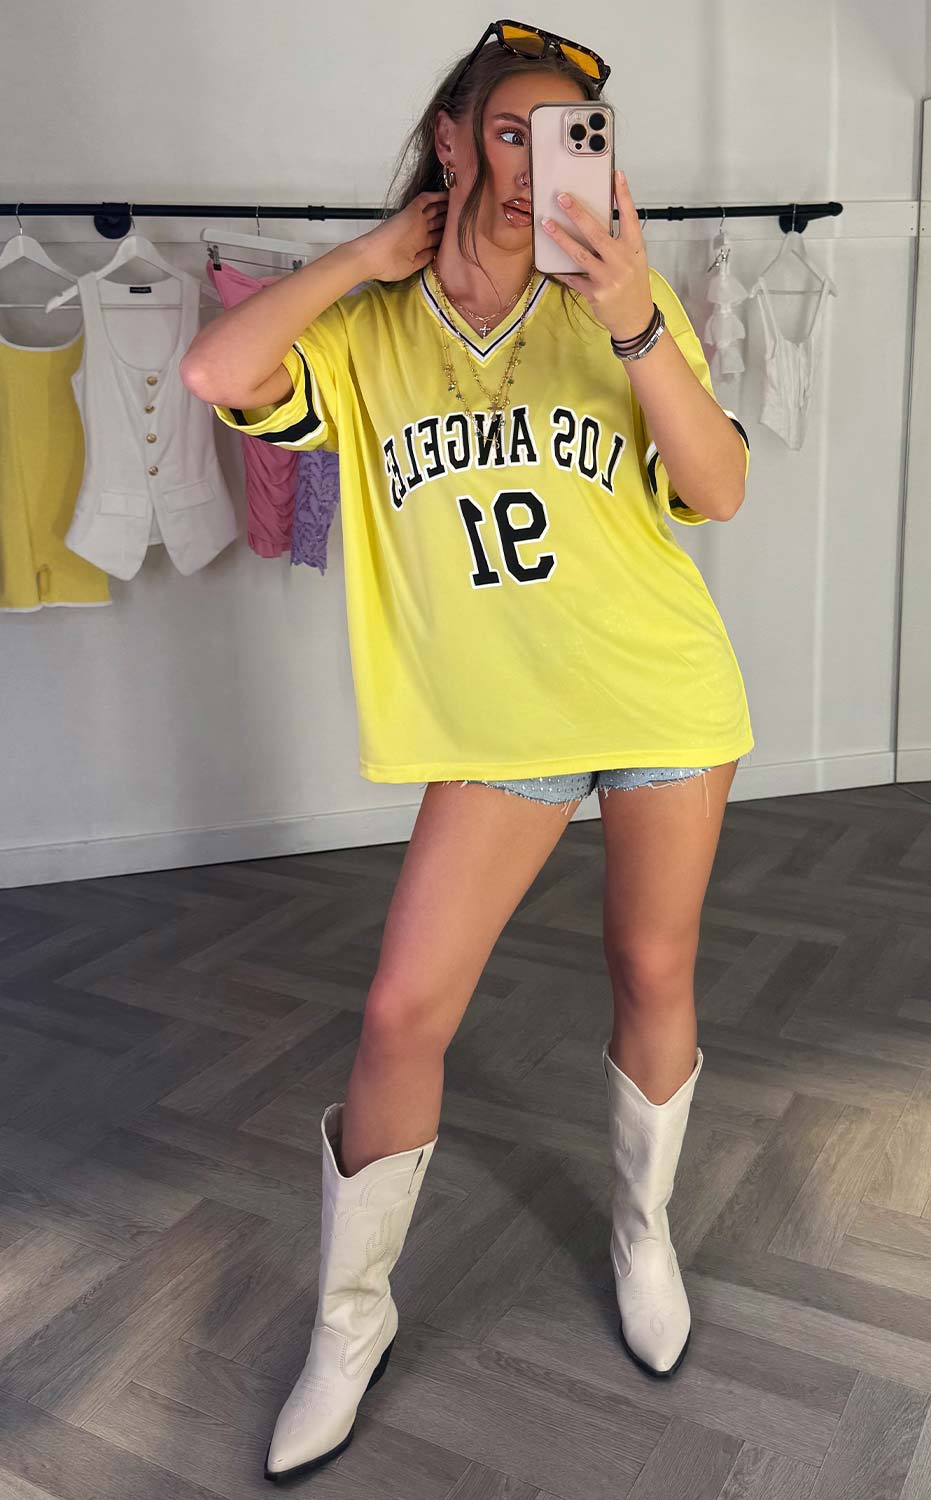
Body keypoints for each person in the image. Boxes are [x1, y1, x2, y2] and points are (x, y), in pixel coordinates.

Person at [181, 18, 752, 1484]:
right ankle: (350, 1322)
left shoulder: (619, 307)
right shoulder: (369, 329)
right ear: (452, 139)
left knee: (654, 968)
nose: (534, 166)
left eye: (569, 139)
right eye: (510, 131)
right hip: (500, 726)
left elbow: (719, 488)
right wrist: (368, 256)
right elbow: (215, 370)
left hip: (659, 694)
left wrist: (634, 318)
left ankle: (643, 1235)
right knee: (400, 1016)